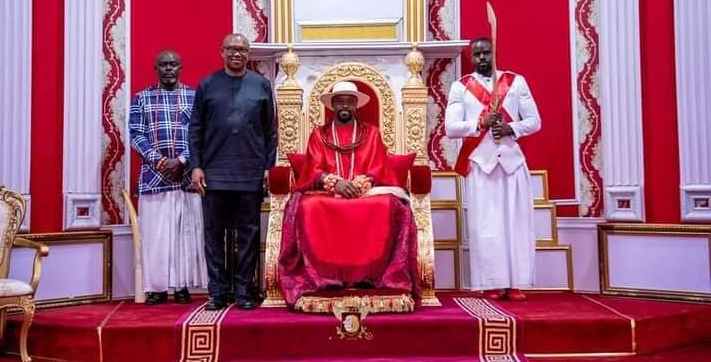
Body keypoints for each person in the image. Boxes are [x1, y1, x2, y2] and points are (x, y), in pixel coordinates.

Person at [278, 81, 420, 308]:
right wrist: (334, 182)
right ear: (332, 105)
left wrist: (361, 183)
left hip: (366, 192)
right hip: (327, 192)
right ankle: (325, 278)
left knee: (387, 204)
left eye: (349, 101)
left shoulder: (371, 133)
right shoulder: (318, 134)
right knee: (308, 206)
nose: (344, 105)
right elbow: (313, 169)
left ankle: (369, 277)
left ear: (356, 105)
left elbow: (379, 167)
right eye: (340, 101)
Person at [444, 37, 541, 301]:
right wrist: (479, 122)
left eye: (486, 53)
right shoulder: (460, 87)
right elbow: (451, 128)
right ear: (472, 58)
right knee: (486, 225)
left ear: (494, 52)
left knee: (516, 224)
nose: (482, 59)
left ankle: (516, 283)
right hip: (481, 164)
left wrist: (513, 127)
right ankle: (492, 282)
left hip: (512, 162)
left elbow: (534, 121)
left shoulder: (516, 81)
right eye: (477, 55)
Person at [189, 33, 277, 311]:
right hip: (214, 173)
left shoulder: (261, 85)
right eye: (232, 49)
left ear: (248, 53)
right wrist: (196, 167)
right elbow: (196, 130)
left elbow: (270, 132)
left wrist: (268, 167)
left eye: (242, 49)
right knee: (214, 235)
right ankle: (217, 292)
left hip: (250, 173)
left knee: (247, 236)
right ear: (222, 52)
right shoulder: (207, 85)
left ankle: (244, 291)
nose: (237, 54)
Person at [129, 50, 207, 305]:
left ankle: (182, 286)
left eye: (173, 64)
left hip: (186, 177)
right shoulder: (142, 98)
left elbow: (200, 134)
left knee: (184, 234)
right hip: (154, 178)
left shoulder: (195, 97)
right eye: (164, 65)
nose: (169, 69)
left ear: (181, 67)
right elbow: (136, 136)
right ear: (156, 68)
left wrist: (182, 160)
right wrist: (161, 161)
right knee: (156, 236)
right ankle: (157, 288)